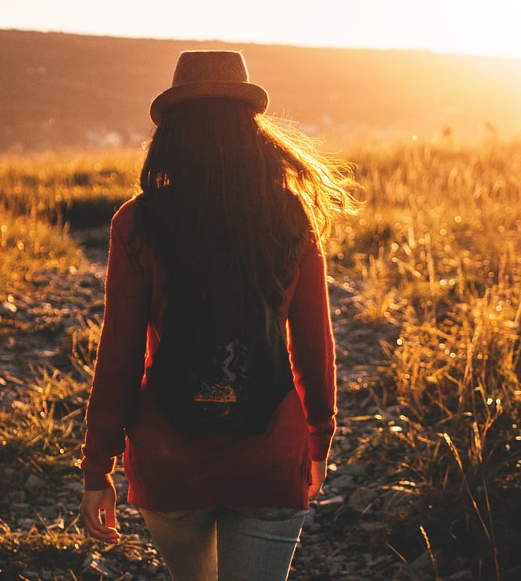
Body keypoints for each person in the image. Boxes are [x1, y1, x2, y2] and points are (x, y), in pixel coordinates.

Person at [79, 50, 357, 581]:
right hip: (270, 455)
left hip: (170, 461)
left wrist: (98, 468)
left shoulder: (137, 222)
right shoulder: (291, 216)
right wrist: (318, 440)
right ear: (251, 131)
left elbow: (118, 359)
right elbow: (315, 349)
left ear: (173, 133)